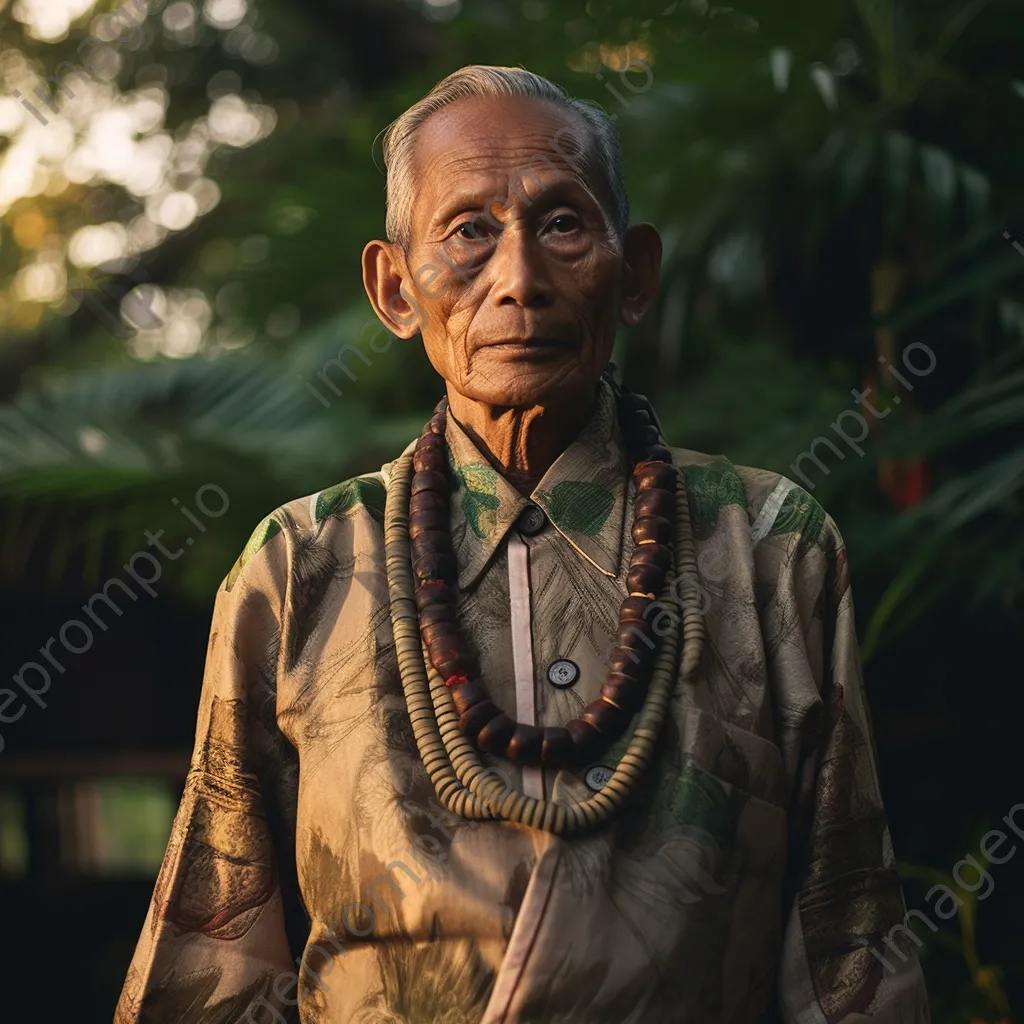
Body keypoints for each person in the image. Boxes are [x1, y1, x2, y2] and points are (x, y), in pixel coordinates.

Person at [116, 65, 929, 1024]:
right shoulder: (300, 567)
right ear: (393, 288)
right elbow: (220, 967)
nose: (519, 281)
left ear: (634, 275)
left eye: (562, 225)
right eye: (467, 232)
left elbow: (847, 945)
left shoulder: (765, 546)